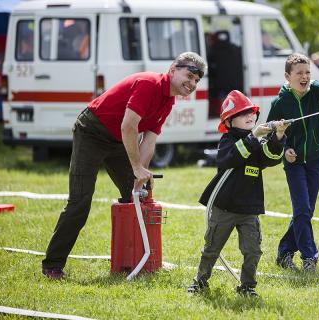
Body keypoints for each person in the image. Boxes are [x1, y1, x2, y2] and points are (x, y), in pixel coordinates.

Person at [41, 52, 207, 279]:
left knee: (139, 195)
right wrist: (136, 166)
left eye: (197, 81)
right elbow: (128, 126)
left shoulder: (169, 100)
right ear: (172, 70)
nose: (192, 83)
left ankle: (143, 259)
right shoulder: (150, 84)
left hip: (118, 139)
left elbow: (149, 140)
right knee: (80, 201)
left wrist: (140, 174)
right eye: (189, 76)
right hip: (92, 131)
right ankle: (53, 265)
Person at [188, 90, 289, 296]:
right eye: (244, 113)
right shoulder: (227, 140)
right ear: (229, 120)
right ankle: (200, 281)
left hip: (249, 208)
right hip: (224, 206)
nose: (250, 116)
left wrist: (278, 136)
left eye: (252, 112)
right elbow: (231, 158)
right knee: (211, 249)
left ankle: (247, 286)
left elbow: (270, 158)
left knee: (253, 250)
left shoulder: (258, 141)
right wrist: (253, 136)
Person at [267, 53, 319, 272]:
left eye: (307, 72)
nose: (305, 77)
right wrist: (285, 149)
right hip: (294, 163)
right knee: (302, 208)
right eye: (299, 73)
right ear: (287, 76)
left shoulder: (315, 92)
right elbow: (271, 133)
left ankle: (284, 253)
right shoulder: (280, 103)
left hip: (314, 159)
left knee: (305, 211)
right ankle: (310, 257)